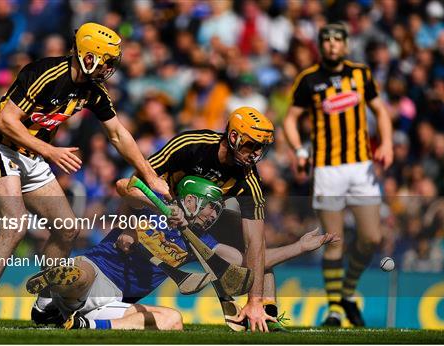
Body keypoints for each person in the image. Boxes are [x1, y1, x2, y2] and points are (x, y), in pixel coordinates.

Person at [0, 22, 169, 328]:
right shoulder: (44, 73)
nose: (110, 69)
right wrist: (49, 152)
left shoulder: (94, 91)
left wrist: (150, 176)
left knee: (67, 228)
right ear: (89, 56)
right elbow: (7, 121)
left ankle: (45, 303)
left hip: (32, 154)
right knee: (15, 224)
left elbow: (117, 135)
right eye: (107, 61)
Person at [26, 176, 338, 330]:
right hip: (97, 268)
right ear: (192, 200)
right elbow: (125, 186)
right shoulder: (160, 204)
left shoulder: (200, 242)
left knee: (173, 320)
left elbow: (248, 263)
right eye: (211, 207)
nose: (214, 215)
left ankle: (83, 325)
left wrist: (300, 246)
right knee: (80, 274)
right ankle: (47, 301)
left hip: (116, 301)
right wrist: (134, 221)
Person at [118, 107, 286, 332]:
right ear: (234, 137)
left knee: (257, 250)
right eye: (251, 145)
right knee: (120, 296)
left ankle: (266, 314)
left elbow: (255, 243)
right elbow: (134, 183)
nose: (256, 154)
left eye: (260, 148)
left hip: (201, 223)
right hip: (159, 213)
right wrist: (128, 226)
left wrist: (254, 301)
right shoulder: (191, 144)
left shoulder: (250, 180)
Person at [283, 23, 393, 327]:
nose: (332, 45)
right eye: (327, 40)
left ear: (346, 45)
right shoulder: (308, 79)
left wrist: (385, 142)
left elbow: (380, 111)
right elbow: (290, 120)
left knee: (372, 237)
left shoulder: (361, 74)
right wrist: (299, 151)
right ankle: (333, 309)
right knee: (334, 241)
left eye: (337, 40)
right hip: (327, 168)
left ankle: (346, 293)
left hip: (360, 165)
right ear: (320, 45)